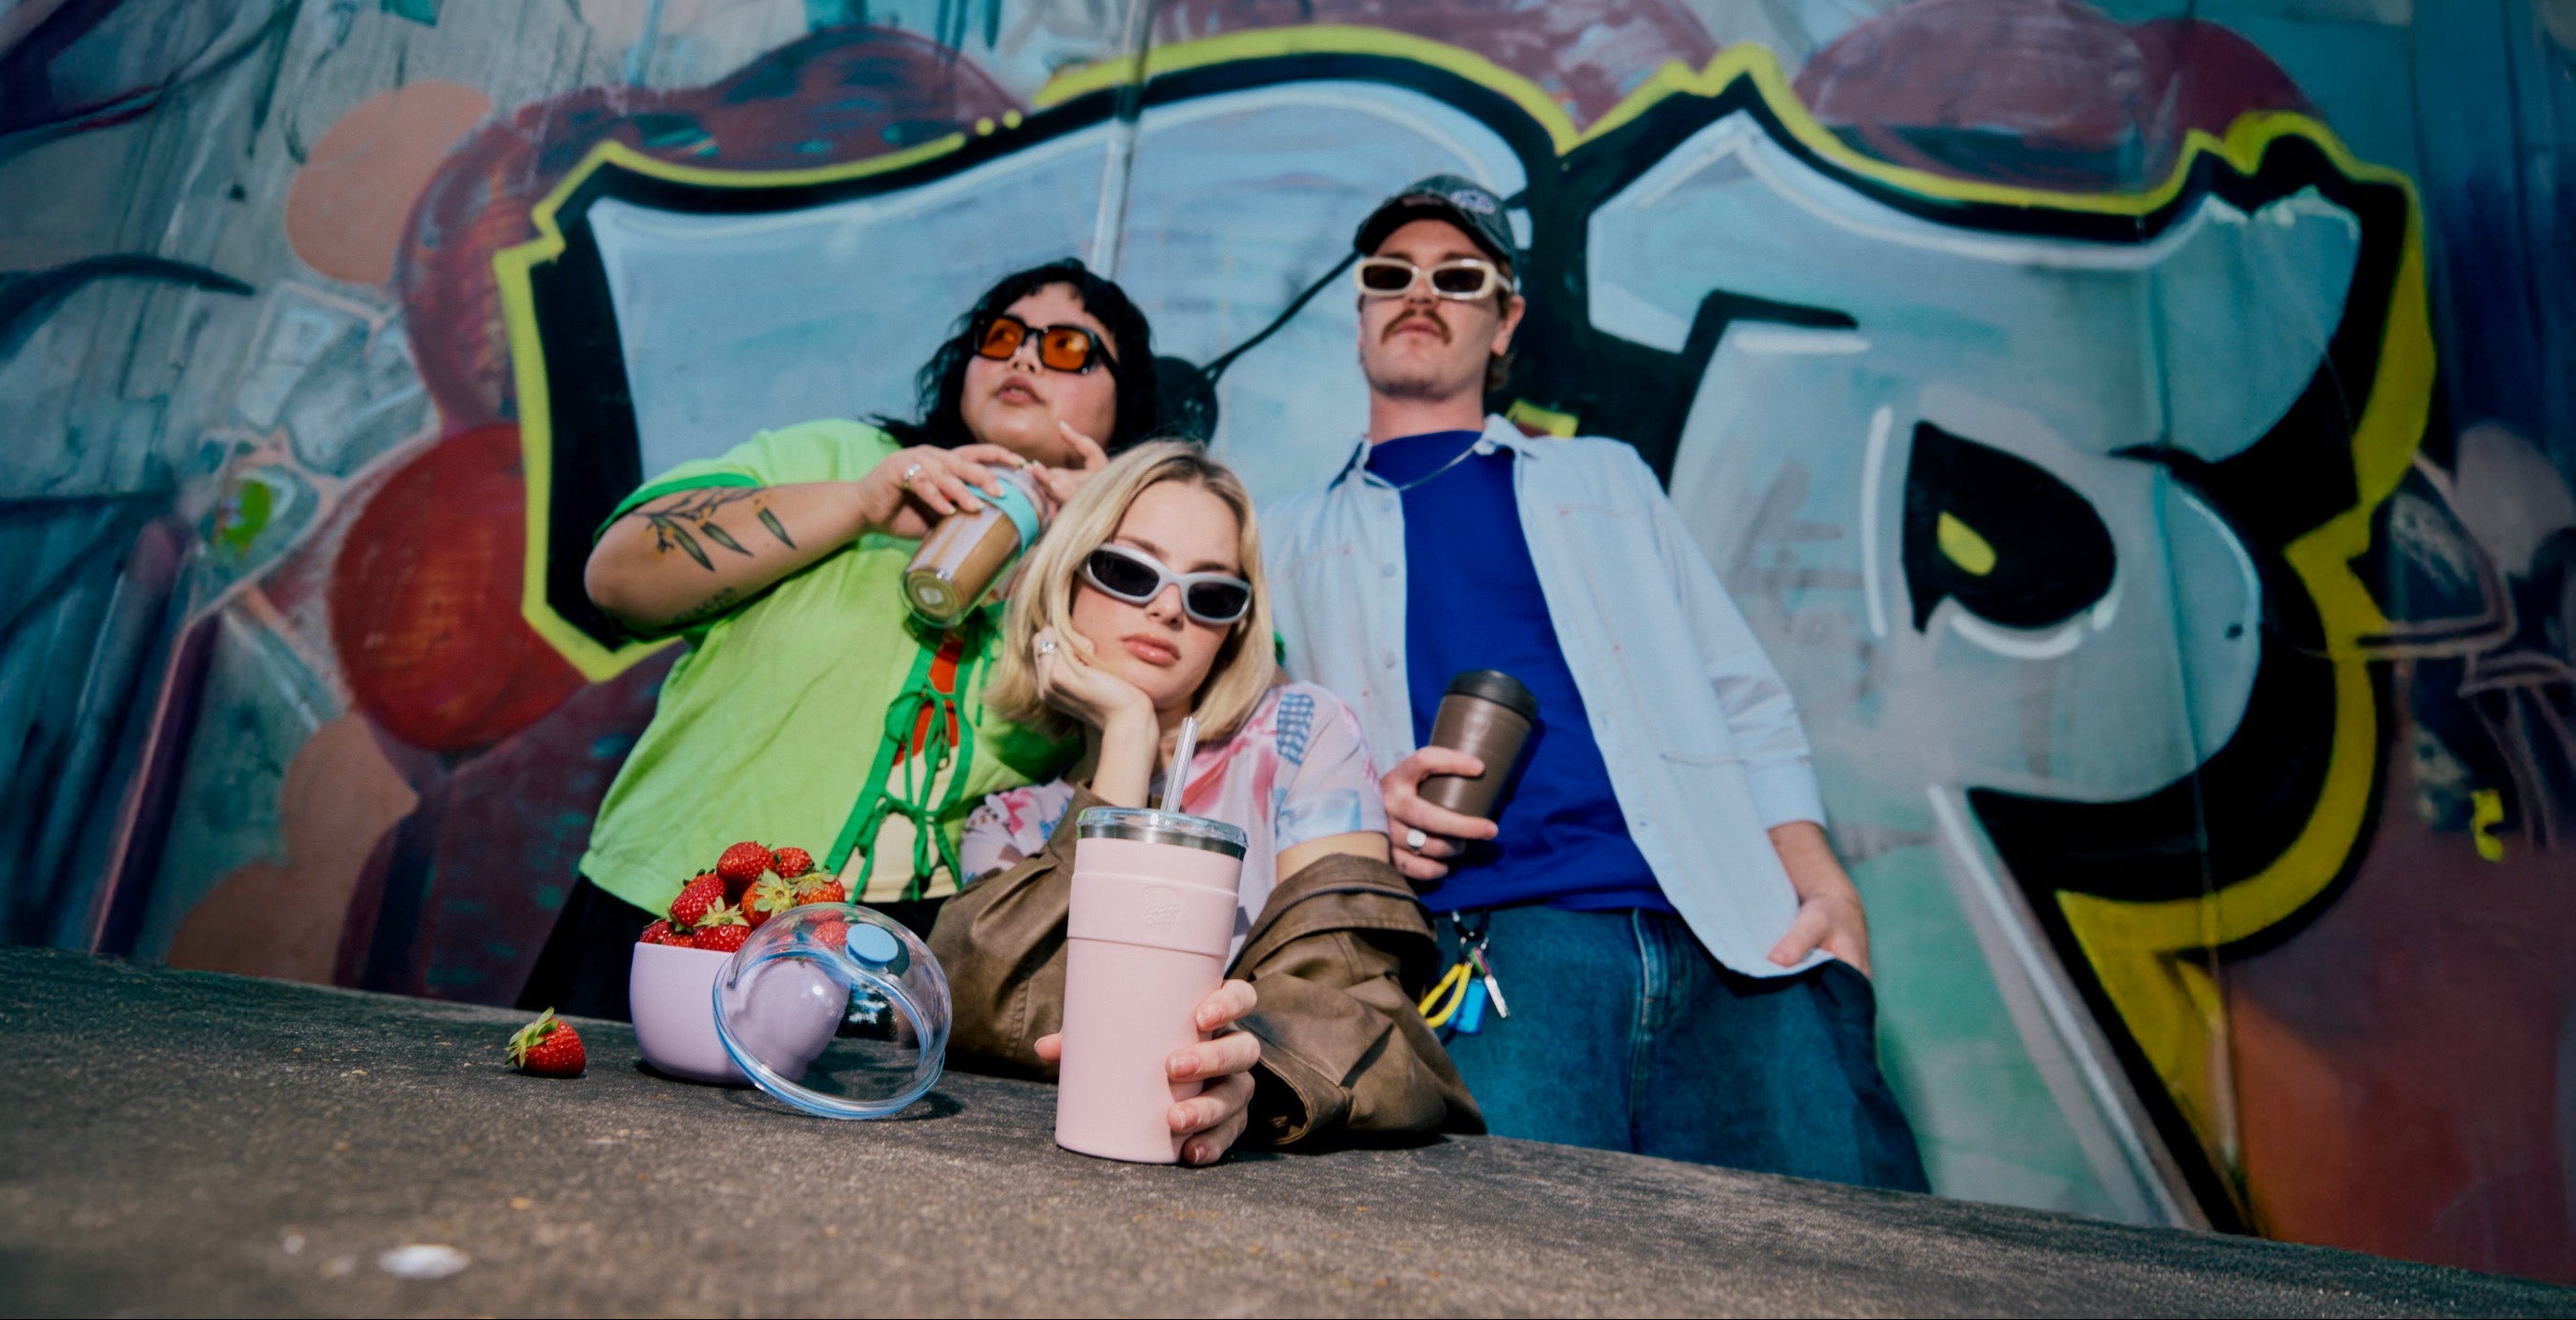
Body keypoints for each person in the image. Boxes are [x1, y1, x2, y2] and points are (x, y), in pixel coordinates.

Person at [1259, 176, 1927, 1190]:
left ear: (1504, 321)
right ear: (1360, 313)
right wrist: (1358, 811)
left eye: (1458, 275)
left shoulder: (1605, 479)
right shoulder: (1283, 535)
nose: (1420, 292)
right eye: (1389, 274)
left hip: (1731, 941)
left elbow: (1738, 690)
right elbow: (1260, 752)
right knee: (1513, 1273)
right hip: (1497, 956)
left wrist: (1820, 880)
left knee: (1852, 1264)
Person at [518, 259, 1160, 1021]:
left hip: (889, 963)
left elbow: (1221, 699)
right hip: (670, 905)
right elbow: (615, 578)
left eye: (1065, 348)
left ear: (1124, 408)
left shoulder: (1129, 567)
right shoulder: (844, 459)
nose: (1023, 356)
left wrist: (1104, 538)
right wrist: (859, 505)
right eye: (1003, 336)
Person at [931, 442, 1481, 1165]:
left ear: (1235, 629)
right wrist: (1126, 738)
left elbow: (1357, 1000)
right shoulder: (1010, 823)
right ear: (1065, 576)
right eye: (1129, 570)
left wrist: (1252, 1071)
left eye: (1212, 593)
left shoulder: (1300, 737)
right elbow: (989, 1011)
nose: (1166, 608)